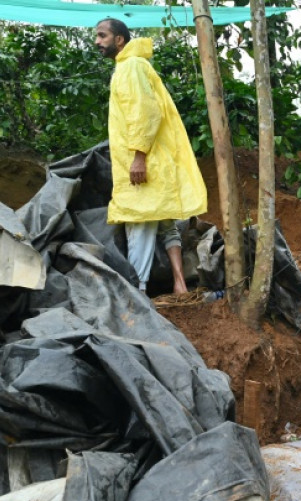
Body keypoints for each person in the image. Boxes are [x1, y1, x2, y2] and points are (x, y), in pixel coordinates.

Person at [95, 18, 208, 294]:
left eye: (102, 36)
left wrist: (138, 156)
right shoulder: (135, 65)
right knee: (165, 221)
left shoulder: (131, 67)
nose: (97, 42)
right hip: (158, 161)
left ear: (119, 39)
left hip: (144, 162)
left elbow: (144, 112)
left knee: (139, 225)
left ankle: (139, 293)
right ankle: (180, 286)